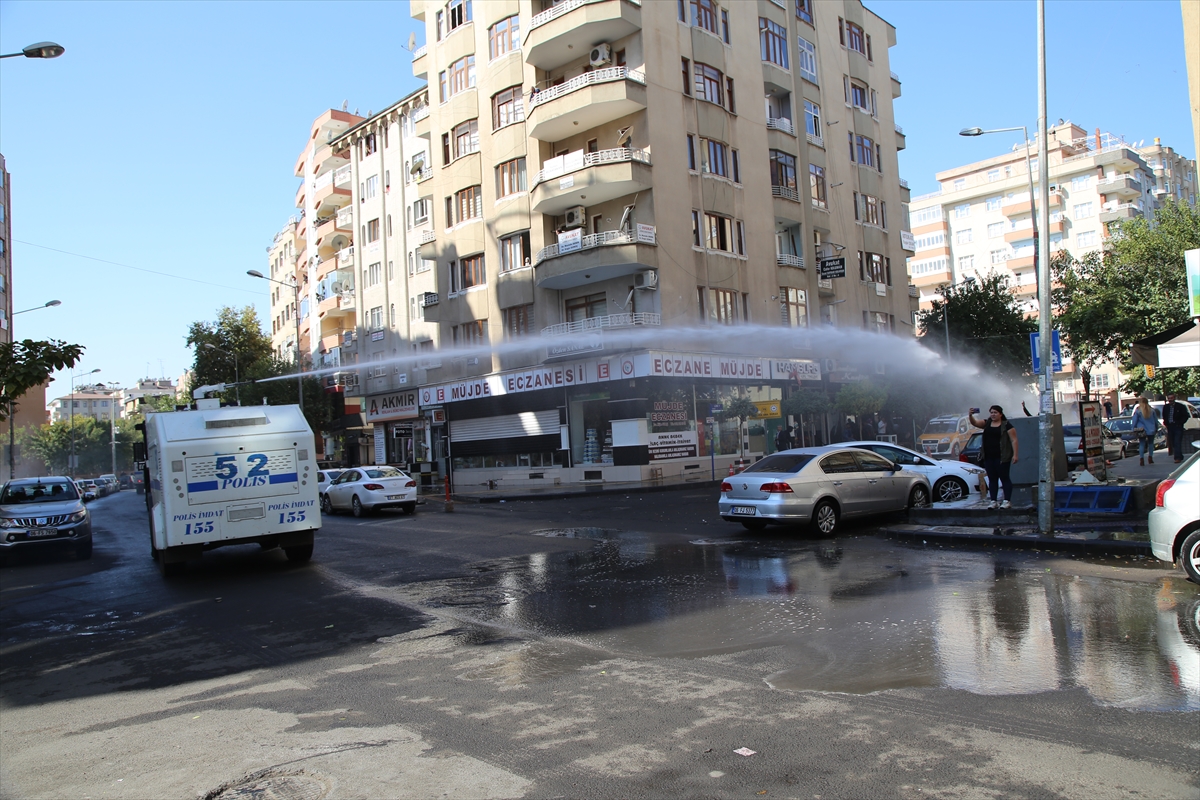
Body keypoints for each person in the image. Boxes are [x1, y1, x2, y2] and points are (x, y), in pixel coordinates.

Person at [969, 405, 1018, 509]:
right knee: (992, 479)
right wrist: (970, 415)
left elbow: (1014, 440)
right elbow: (975, 423)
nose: (993, 414)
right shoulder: (987, 423)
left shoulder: (1007, 425)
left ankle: (1007, 500)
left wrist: (1015, 455)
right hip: (988, 456)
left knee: (1004, 478)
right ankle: (993, 501)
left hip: (1002, 457)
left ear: (1000, 414)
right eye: (991, 412)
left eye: (995, 412)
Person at [1130, 397, 1160, 466]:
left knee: (1142, 444)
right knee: (1150, 444)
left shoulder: (1138, 411)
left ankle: (1141, 459)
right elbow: (1156, 421)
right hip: (1151, 429)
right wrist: (1156, 428)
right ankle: (1150, 457)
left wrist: (1133, 428)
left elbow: (1134, 420)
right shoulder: (1152, 410)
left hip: (1141, 430)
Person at [1161, 393, 1189, 464]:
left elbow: (1186, 416)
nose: (1170, 400)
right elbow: (1164, 415)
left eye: (1171, 398)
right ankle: (1179, 455)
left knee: (1177, 441)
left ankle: (1177, 457)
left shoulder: (1180, 406)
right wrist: (1166, 423)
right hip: (1170, 427)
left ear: (1174, 398)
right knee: (1173, 442)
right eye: (1169, 398)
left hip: (1178, 426)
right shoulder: (1166, 407)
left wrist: (1180, 422)